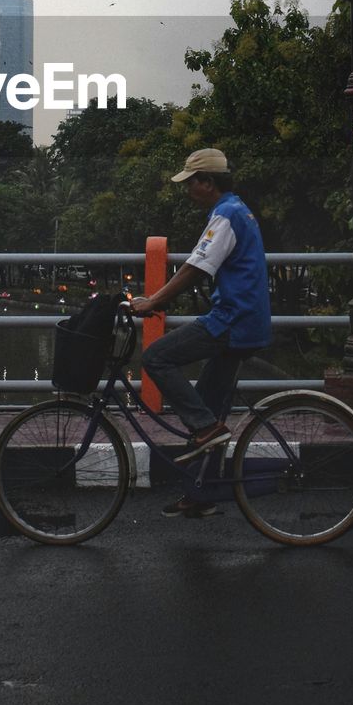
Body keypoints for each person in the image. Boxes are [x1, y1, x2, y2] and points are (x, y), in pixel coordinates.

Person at [129, 148, 271, 519]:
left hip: (231, 319)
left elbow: (195, 268)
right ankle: (199, 494)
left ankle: (207, 431)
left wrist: (153, 302)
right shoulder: (238, 209)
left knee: (155, 357)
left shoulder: (225, 216)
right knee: (209, 407)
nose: (187, 189)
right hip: (246, 319)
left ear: (208, 182)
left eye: (191, 182)